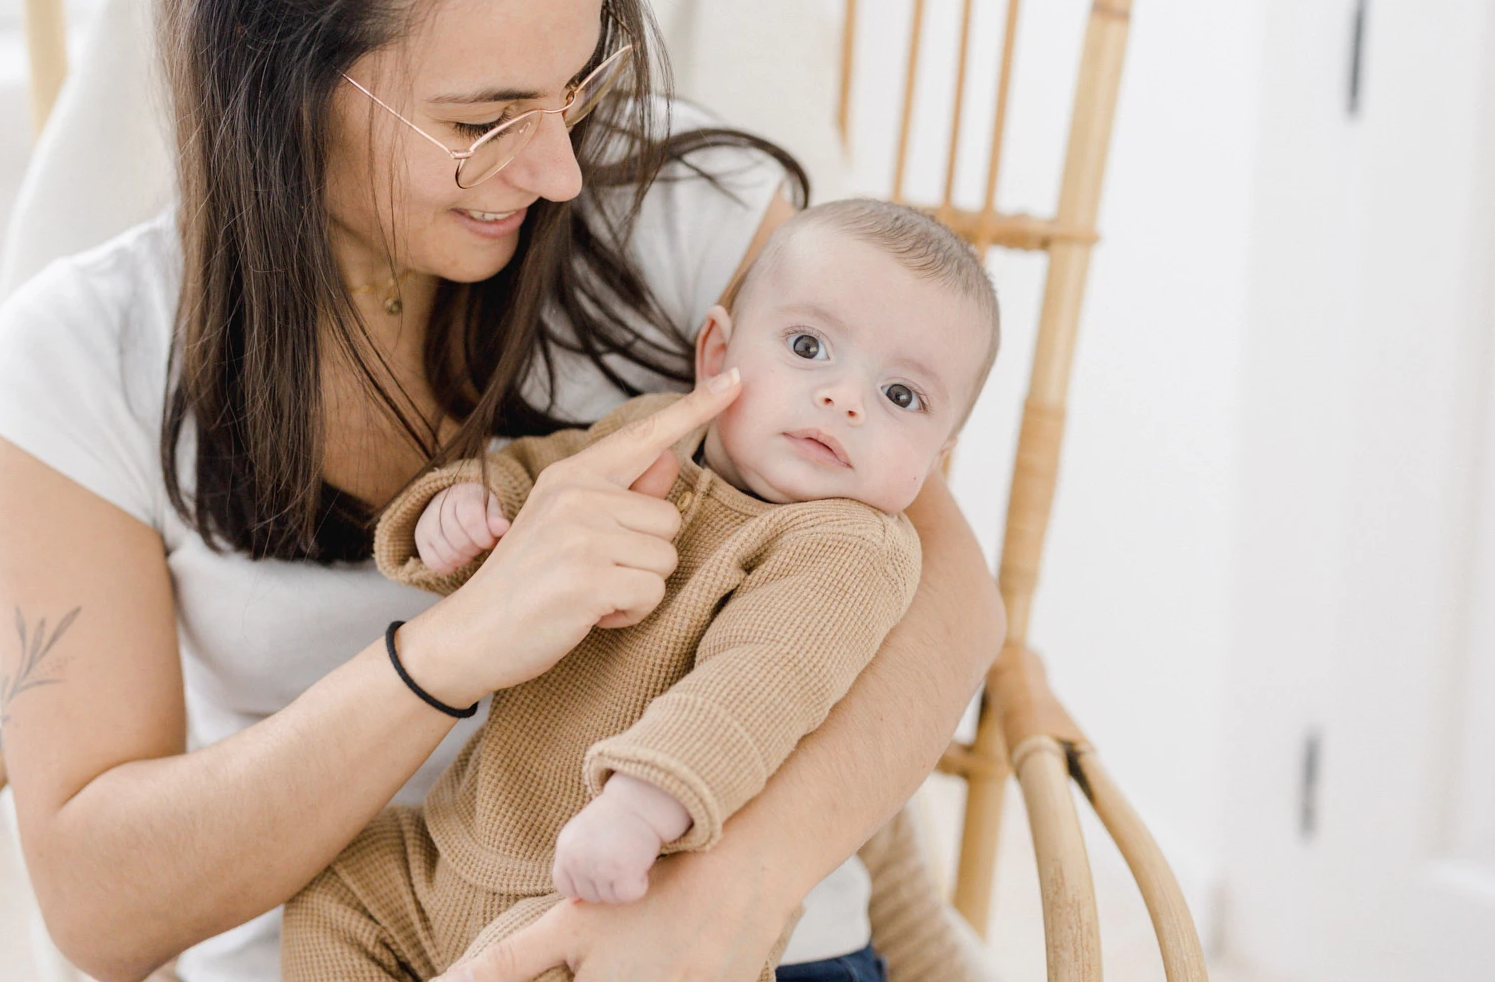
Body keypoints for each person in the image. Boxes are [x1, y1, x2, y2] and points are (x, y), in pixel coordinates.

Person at [0, 0, 1002, 982]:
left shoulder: (692, 223)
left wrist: (728, 896)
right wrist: (450, 650)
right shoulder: (80, 359)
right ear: (278, 84)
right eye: (484, 119)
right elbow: (97, 902)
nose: (561, 167)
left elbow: (939, 592)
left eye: (577, 86)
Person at [284, 200, 1002, 982]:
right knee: (338, 884)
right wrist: (465, 511)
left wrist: (640, 807)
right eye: (808, 347)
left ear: (939, 454)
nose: (846, 399)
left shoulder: (851, 549)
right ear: (717, 351)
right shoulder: (658, 431)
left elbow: (757, 684)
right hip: (464, 855)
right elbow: (545, 483)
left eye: (902, 397)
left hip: (636, 895)